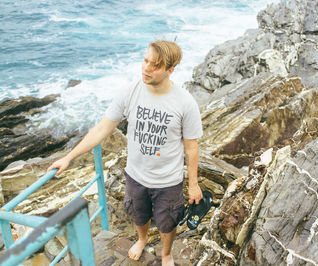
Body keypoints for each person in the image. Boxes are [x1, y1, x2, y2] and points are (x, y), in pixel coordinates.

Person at [47, 40, 203, 266]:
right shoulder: (130, 92)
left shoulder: (185, 102)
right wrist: (68, 157)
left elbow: (191, 146)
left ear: (171, 70)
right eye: (145, 60)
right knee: (138, 215)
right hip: (135, 176)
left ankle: (166, 253)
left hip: (168, 181)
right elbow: (102, 128)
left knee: (168, 222)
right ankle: (141, 239)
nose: (146, 68)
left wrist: (193, 184)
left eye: (155, 65)